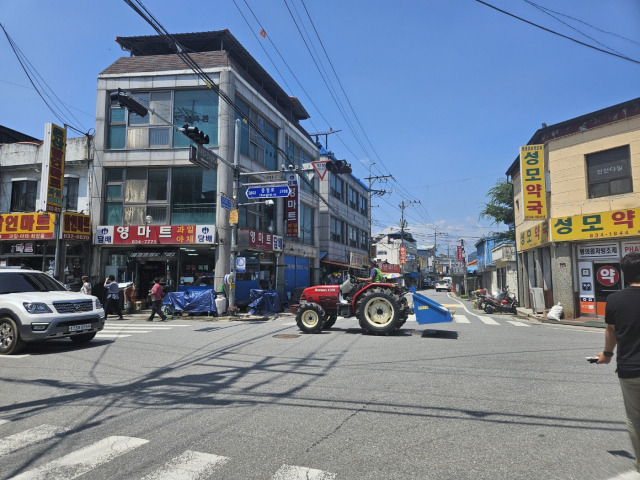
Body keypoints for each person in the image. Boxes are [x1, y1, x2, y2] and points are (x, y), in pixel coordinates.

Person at [596, 252, 640, 473]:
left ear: (623, 273)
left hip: (630, 369)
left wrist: (606, 354)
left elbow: (610, 332)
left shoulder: (614, 300)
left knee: (635, 418)